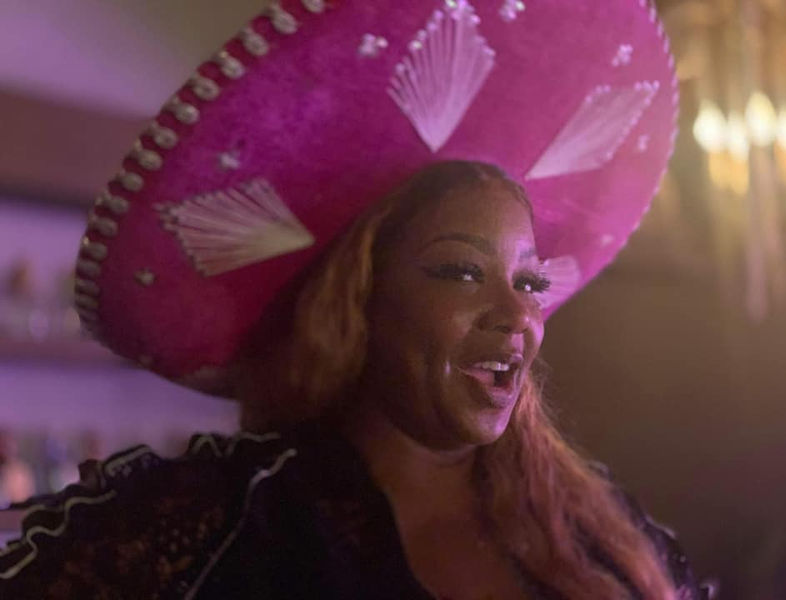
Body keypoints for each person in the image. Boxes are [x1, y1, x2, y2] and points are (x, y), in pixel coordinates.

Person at [0, 1, 711, 598]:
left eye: (529, 282)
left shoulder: (597, 528)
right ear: (358, 300)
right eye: (462, 272)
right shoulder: (220, 527)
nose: (519, 314)